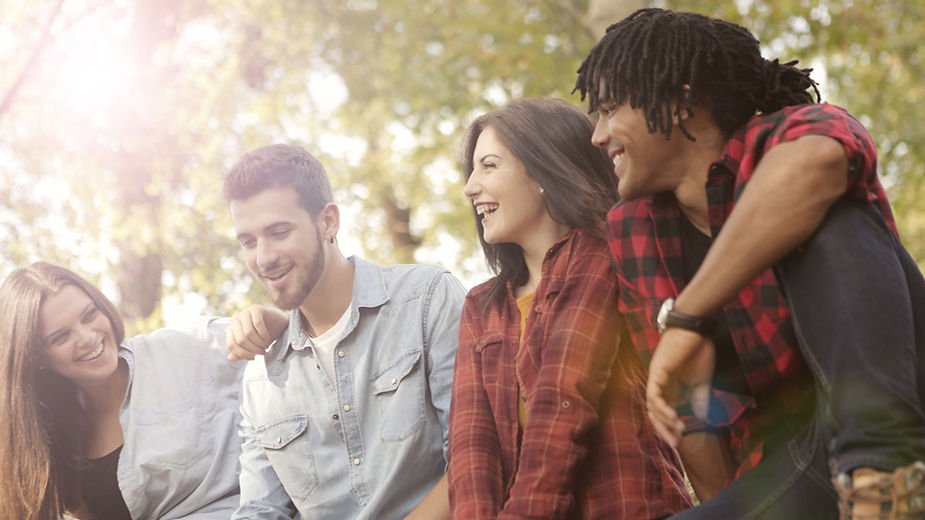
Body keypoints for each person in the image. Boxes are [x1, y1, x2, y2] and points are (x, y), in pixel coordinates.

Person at [575, 7, 925, 518]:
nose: (597, 135)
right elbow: (689, 415)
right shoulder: (633, 229)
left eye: (609, 110)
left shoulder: (793, 135)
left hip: (903, 417)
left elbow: (819, 165)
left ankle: (884, 476)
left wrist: (688, 316)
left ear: (680, 103)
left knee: (831, 213)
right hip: (802, 463)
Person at [448, 97, 691, 519]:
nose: (471, 186)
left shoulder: (599, 256)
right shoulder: (480, 306)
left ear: (542, 170)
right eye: (472, 170)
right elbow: (473, 449)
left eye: (488, 166)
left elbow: (563, 400)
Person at [223, 143, 466, 519]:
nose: (263, 257)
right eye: (249, 241)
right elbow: (259, 510)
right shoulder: (261, 380)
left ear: (328, 222)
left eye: (279, 232)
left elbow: (474, 458)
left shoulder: (426, 299)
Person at [0, 262, 243, 520]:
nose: (87, 337)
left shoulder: (182, 349)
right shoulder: (50, 442)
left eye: (89, 315)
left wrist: (267, 322)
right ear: (36, 359)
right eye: (61, 337)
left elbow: (282, 346)